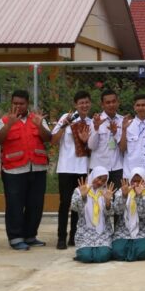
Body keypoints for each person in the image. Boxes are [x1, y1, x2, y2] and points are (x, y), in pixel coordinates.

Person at [0, 90, 52, 250]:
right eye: (15, 103)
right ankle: (15, 237)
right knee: (15, 205)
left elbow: (48, 138)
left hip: (37, 168)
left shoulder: (37, 118)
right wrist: (9, 125)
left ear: (28, 104)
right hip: (14, 170)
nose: (18, 106)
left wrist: (40, 126)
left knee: (35, 204)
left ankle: (30, 235)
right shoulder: (4, 120)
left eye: (21, 104)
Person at [51, 91, 93, 250]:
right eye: (81, 103)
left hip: (83, 168)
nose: (84, 105)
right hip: (66, 168)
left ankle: (74, 235)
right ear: (75, 105)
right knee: (65, 203)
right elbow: (53, 141)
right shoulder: (66, 117)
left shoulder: (91, 122)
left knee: (79, 203)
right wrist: (64, 124)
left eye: (87, 102)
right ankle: (61, 237)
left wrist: (86, 141)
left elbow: (93, 147)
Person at [69, 166, 115, 263]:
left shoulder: (106, 192)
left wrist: (108, 202)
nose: (100, 182)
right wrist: (83, 196)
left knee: (102, 256)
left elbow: (110, 213)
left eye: (103, 180)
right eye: (98, 178)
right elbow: (74, 207)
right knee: (86, 257)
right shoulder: (79, 190)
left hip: (103, 233)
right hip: (85, 232)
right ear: (93, 175)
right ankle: (86, 251)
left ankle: (100, 250)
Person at [111, 167, 145, 262]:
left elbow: (144, 214)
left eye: (140, 181)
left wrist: (139, 196)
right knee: (117, 251)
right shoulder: (121, 192)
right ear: (130, 181)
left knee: (143, 250)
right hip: (123, 231)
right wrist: (124, 196)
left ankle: (132, 251)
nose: (136, 184)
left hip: (142, 232)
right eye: (134, 181)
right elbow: (117, 211)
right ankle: (131, 250)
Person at [88, 89, 127, 188]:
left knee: (116, 200)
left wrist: (115, 134)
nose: (111, 105)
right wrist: (96, 128)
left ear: (118, 102)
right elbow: (91, 146)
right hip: (98, 167)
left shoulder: (123, 121)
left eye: (114, 101)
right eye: (108, 102)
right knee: (97, 200)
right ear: (102, 105)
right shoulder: (95, 121)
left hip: (117, 167)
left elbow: (124, 147)